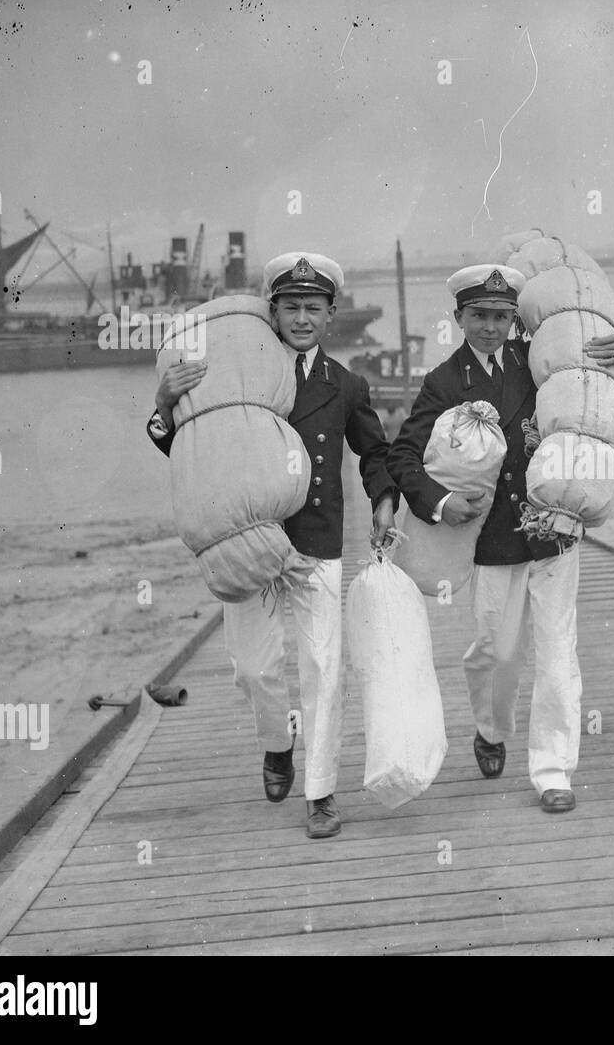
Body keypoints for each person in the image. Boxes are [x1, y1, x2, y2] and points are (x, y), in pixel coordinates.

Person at [147, 252, 398, 837]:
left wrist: (385, 498)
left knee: (321, 666)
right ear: (271, 311)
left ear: (331, 314)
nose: (302, 318)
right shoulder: (231, 374)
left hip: (315, 539)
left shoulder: (347, 385)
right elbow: (193, 449)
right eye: (290, 307)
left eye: (314, 307)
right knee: (253, 669)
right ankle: (276, 742)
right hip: (244, 540)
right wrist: (164, 404)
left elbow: (374, 452)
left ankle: (321, 792)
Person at [387, 264, 614, 813]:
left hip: (555, 528)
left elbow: (607, 410)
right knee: (495, 651)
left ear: (516, 320)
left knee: (555, 652)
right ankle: (492, 729)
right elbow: (401, 455)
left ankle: (553, 771)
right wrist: (441, 502)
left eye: (502, 316)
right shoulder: (445, 381)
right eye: (479, 316)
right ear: (458, 318)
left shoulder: (546, 366)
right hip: (492, 537)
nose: (491, 327)